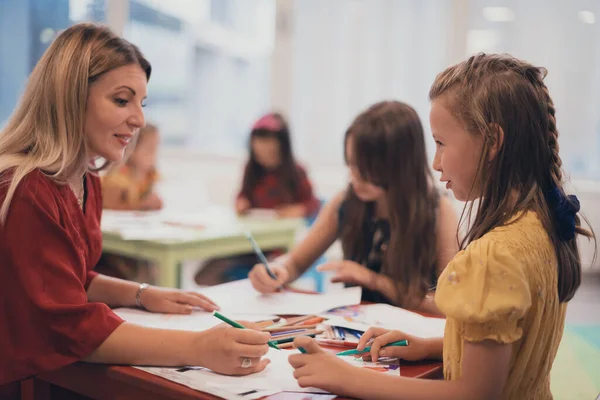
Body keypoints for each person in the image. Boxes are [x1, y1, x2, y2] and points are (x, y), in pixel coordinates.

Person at [288, 53, 594, 400]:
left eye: (441, 144)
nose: (435, 162)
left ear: (492, 143)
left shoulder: (493, 255)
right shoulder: (543, 224)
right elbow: (510, 348)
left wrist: (345, 377)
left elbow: (474, 394)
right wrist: (437, 346)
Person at [0, 23, 270, 392]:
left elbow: (68, 280)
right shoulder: (26, 188)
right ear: (70, 97)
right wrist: (197, 347)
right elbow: (64, 324)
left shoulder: (86, 178)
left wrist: (142, 293)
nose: (139, 120)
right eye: (122, 100)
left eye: (141, 104)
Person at [249, 101, 458, 312]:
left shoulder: (438, 212)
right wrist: (277, 270)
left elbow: (448, 304)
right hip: (354, 332)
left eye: (367, 170)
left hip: (412, 336)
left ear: (400, 167)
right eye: (351, 164)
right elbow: (295, 262)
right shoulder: (346, 202)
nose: (355, 177)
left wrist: (373, 280)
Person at [194, 112, 321, 286]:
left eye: (270, 145)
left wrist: (298, 210)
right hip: (249, 244)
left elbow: (313, 203)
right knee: (204, 275)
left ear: (282, 145)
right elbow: (242, 195)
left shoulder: (296, 171)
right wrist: (241, 203)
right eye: (259, 145)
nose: (264, 150)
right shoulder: (251, 170)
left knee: (271, 277)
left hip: (280, 246)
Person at [102, 123, 162, 211]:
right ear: (132, 150)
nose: (154, 155)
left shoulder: (149, 175)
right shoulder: (118, 177)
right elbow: (108, 206)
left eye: (156, 149)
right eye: (149, 149)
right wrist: (142, 205)